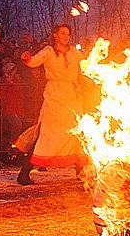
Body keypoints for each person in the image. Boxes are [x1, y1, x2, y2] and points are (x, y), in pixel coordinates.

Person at [11, 23, 87, 185]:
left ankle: (80, 171)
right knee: (46, 134)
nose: (66, 37)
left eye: (68, 34)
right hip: (55, 96)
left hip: (73, 96)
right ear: (55, 35)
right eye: (62, 33)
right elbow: (34, 61)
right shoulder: (49, 51)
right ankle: (24, 172)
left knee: (76, 134)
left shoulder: (74, 52)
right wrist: (27, 58)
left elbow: (88, 63)